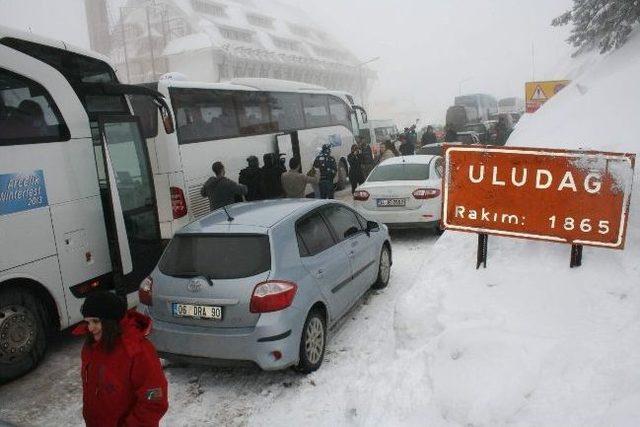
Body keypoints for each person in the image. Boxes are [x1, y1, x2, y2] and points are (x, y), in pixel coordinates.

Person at [73, 291, 168, 427]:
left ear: (111, 321)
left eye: (95, 321)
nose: (90, 328)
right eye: (87, 322)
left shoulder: (138, 351)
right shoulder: (91, 345)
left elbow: (154, 398)